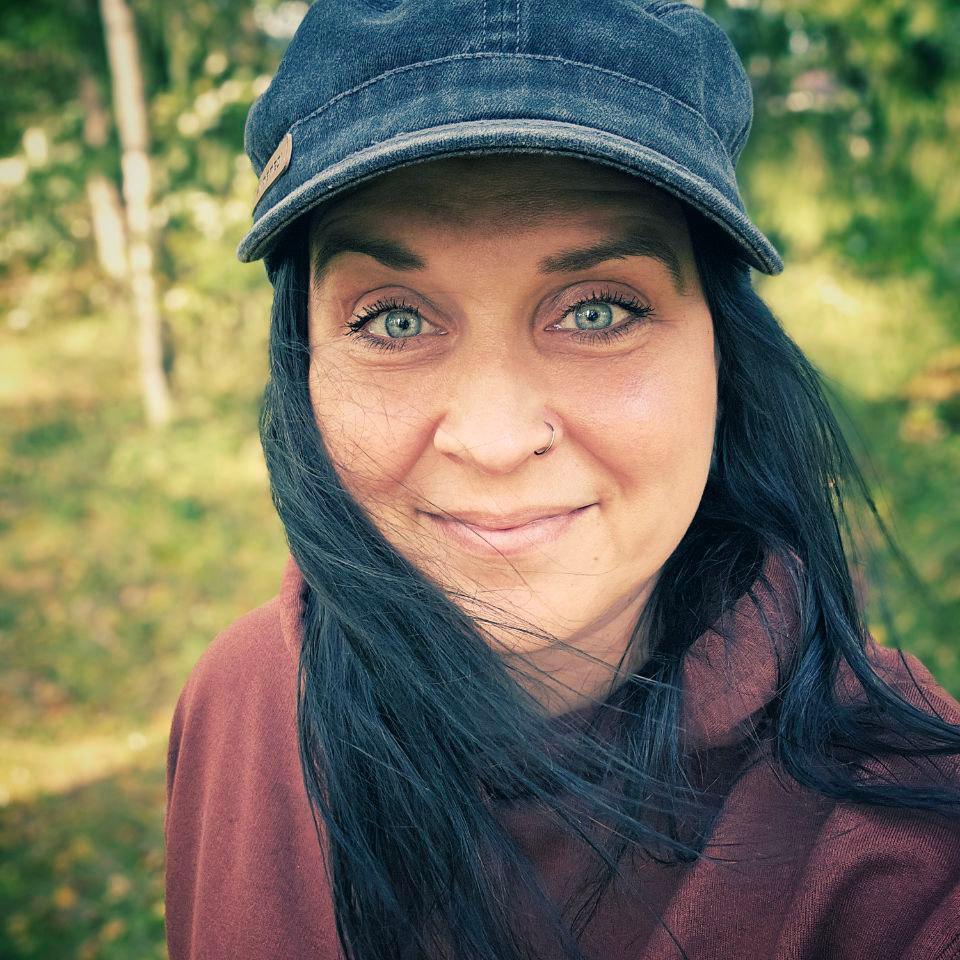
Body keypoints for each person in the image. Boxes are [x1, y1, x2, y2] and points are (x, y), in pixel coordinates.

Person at [163, 3, 960, 959]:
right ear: (303, 365)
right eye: (394, 321)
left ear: (724, 353)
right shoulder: (240, 700)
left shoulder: (910, 846)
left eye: (597, 312)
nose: (496, 441)